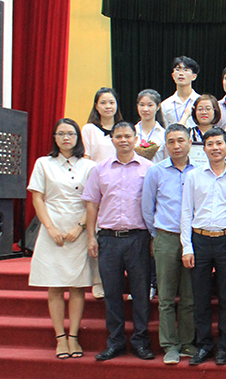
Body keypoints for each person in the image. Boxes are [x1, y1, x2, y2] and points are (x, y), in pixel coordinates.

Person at [83, 121, 155, 361]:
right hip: (109, 239)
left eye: (128, 136)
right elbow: (92, 204)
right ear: (112, 139)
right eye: (118, 136)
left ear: (136, 138)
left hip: (139, 238)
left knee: (141, 293)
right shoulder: (99, 169)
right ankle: (115, 342)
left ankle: (141, 342)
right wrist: (91, 236)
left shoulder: (149, 168)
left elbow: (155, 204)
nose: (123, 140)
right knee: (112, 293)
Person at [28, 118, 95, 361]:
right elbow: (37, 197)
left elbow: (93, 201)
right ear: (55, 138)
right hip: (52, 228)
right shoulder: (43, 163)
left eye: (71, 134)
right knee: (54, 285)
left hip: (79, 228)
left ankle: (74, 336)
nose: (66, 138)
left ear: (78, 137)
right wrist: (50, 227)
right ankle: (60, 337)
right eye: (61, 134)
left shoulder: (89, 166)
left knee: (77, 286)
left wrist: (80, 227)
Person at [180, 127, 226, 366]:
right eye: (210, 144)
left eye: (219, 143)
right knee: (201, 295)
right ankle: (204, 345)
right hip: (200, 240)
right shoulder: (193, 176)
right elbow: (186, 212)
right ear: (203, 148)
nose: (215, 148)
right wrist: (187, 247)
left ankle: (225, 346)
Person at [141, 123, 197, 365]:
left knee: (189, 295)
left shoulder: (199, 170)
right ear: (165, 145)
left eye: (181, 140)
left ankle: (187, 342)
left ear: (190, 143)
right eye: (171, 141)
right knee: (165, 296)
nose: (176, 146)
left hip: (192, 239)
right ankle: (169, 345)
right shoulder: (156, 171)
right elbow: (147, 207)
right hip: (166, 237)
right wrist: (156, 235)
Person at [82, 87, 123, 163]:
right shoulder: (89, 129)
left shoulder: (123, 129)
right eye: (103, 103)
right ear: (96, 106)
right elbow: (86, 157)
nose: (108, 106)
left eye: (111, 102)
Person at [161, 56, 201, 127]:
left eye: (186, 70)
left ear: (194, 76)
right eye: (177, 70)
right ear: (173, 76)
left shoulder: (200, 101)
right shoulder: (165, 105)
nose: (181, 73)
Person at [186, 94, 220, 166]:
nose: (204, 112)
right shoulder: (188, 133)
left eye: (208, 109)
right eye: (200, 109)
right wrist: (186, 115)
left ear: (215, 111)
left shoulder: (221, 134)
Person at [135, 89, 166, 161]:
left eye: (150, 105)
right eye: (142, 105)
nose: (145, 109)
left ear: (158, 106)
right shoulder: (132, 133)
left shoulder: (163, 134)